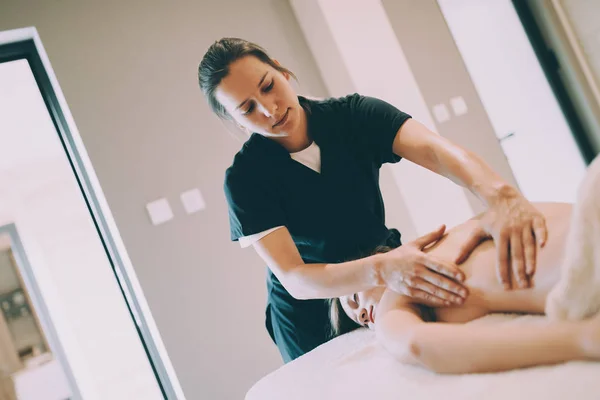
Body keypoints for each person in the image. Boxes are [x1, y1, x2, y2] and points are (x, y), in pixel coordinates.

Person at [198, 37, 549, 362]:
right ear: (236, 120)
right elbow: (294, 277)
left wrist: (502, 195)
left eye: (268, 86)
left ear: (280, 69)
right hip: (311, 315)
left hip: (383, 271)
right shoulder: (245, 179)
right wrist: (381, 270)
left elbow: (435, 151)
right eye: (248, 109)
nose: (269, 109)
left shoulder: (352, 116)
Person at [333, 201, 600, 373]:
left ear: (374, 262)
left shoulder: (398, 290)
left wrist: (582, 339)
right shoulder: (461, 230)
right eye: (359, 321)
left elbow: (416, 345)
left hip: (585, 260)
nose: (363, 316)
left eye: (355, 298)